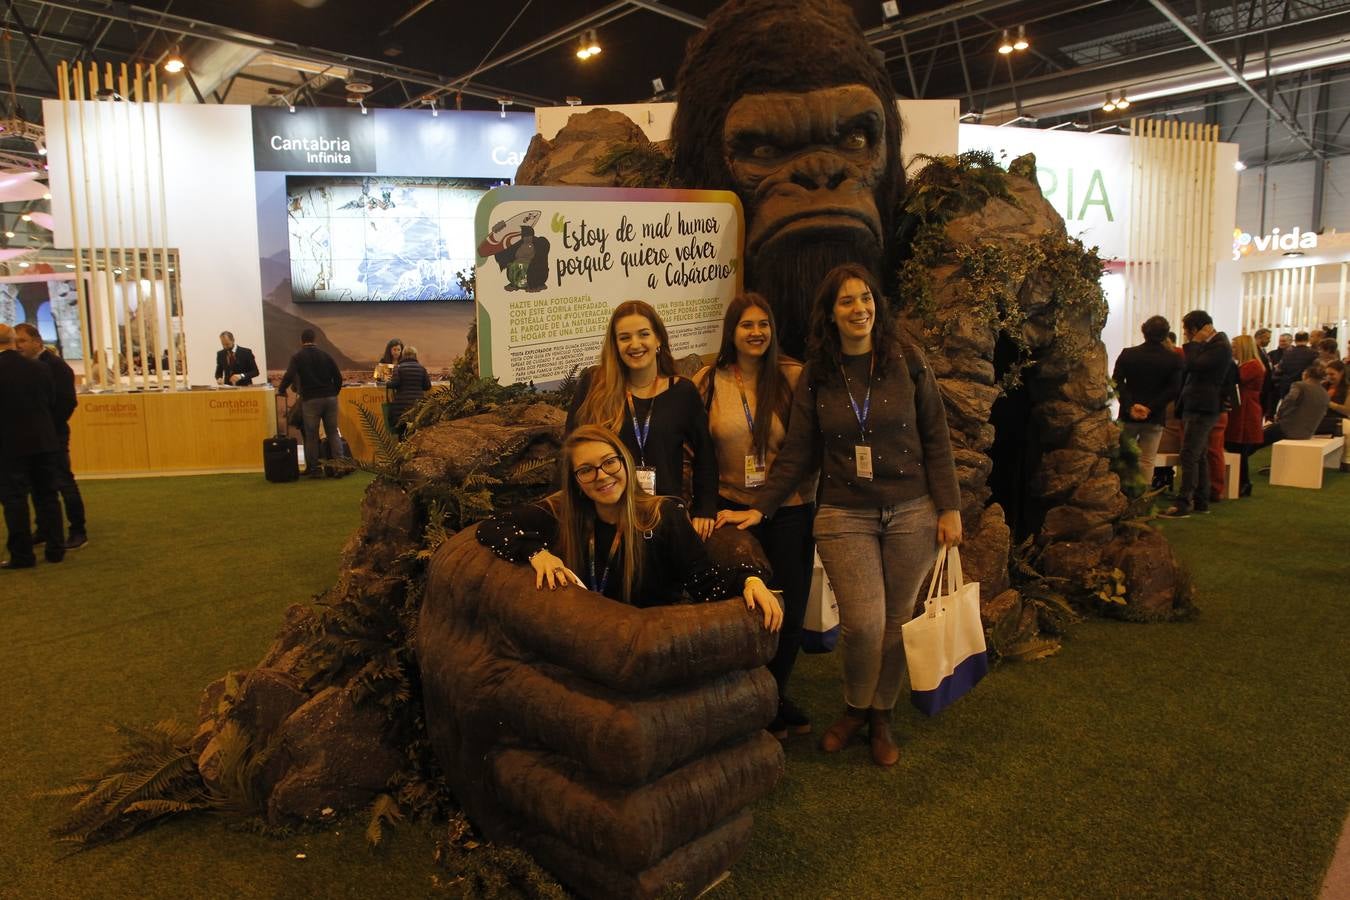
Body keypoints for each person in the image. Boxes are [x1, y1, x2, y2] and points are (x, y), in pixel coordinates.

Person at [718, 263, 962, 768]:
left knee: (896, 623)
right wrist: (759, 508)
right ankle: (854, 707)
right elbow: (799, 453)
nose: (860, 309)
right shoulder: (818, 375)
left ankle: (881, 714)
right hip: (843, 514)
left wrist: (950, 506)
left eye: (866, 298)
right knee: (864, 625)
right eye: (847, 302)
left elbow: (936, 438)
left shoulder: (906, 360)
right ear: (831, 314)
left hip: (913, 510)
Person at [476, 424, 783, 631]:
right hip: (588, 636)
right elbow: (491, 527)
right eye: (586, 470)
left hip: (648, 637)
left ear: (624, 463)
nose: (601, 475)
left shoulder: (665, 515)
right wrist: (535, 552)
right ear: (576, 482)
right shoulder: (565, 514)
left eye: (609, 462)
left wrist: (749, 581)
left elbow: (704, 582)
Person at [694, 293, 816, 739]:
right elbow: (698, 453)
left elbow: (803, 452)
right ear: (732, 331)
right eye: (747, 325)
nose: (756, 332)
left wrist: (767, 503)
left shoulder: (792, 376)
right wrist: (706, 508)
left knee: (788, 607)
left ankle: (773, 697)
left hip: (787, 510)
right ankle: (753, 699)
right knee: (742, 609)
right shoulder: (708, 380)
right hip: (730, 511)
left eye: (763, 324)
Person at [567, 301, 718, 538]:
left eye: (644, 334)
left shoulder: (683, 392)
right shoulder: (593, 386)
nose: (635, 344)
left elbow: (706, 455)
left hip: (664, 518)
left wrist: (705, 509)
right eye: (625, 337)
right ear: (615, 345)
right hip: (607, 517)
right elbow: (570, 451)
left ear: (658, 339)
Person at [13, 324, 87, 549]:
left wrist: (46, 426)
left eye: (23, 341)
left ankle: (78, 530)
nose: (18, 346)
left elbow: (67, 403)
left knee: (64, 482)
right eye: (16, 342)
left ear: (37, 341)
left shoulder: (57, 367)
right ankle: (44, 529)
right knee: (38, 486)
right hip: (32, 436)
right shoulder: (23, 367)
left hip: (53, 435)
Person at [0, 325, 65, 569]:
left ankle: (22, 555)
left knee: (15, 500)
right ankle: (56, 548)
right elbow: (51, 401)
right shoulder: (40, 368)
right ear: (14, 341)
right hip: (44, 441)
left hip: (10, 445)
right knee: (48, 495)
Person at [1161, 310, 1232, 519]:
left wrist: (1195, 343)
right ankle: (1201, 499)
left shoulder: (1219, 346)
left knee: (1190, 454)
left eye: (1186, 330)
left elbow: (1192, 365)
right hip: (1199, 405)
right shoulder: (1215, 345)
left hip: (1203, 406)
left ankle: (1184, 502)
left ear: (1195, 329)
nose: (1185, 335)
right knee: (1198, 454)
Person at [1111, 315, 1183, 485]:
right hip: (1155, 416)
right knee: (1147, 460)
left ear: (1144, 331)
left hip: (1128, 416)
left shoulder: (1128, 354)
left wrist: (1130, 406)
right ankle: (1141, 497)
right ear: (1166, 334)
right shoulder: (1173, 359)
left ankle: (1121, 492)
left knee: (1125, 457)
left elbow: (1116, 382)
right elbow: (1173, 389)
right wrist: (1150, 408)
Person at [277, 329, 346, 477]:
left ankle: (314, 469)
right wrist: (333, 393)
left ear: (301, 341)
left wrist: (281, 389)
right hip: (330, 398)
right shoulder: (326, 356)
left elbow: (289, 375)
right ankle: (340, 466)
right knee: (333, 432)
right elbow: (338, 377)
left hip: (311, 400)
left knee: (311, 435)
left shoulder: (297, 357)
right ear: (315, 340)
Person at [1223, 335, 1265, 497]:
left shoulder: (1252, 366)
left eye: (1234, 347)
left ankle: (1244, 483)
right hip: (1243, 408)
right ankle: (1242, 482)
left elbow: (1236, 380)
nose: (1232, 350)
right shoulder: (1248, 365)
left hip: (1246, 410)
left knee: (1240, 449)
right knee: (1238, 449)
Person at [1262, 362, 1329, 445]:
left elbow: (1289, 400)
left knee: (1256, 440)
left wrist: (1279, 414)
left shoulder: (1300, 385)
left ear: (1306, 374)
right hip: (1306, 434)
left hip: (1288, 428)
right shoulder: (1325, 393)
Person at [387, 345, 431, 438]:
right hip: (417, 407)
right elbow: (427, 386)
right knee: (416, 436)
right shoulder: (421, 368)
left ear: (403, 355)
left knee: (402, 436)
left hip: (401, 408)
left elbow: (394, 384)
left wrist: (385, 382)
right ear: (415, 355)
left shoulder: (398, 368)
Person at [1274, 331, 1316, 401]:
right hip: (1305, 388)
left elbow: (1280, 369)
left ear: (1295, 340)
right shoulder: (1314, 353)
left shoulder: (1287, 353)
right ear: (1308, 340)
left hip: (1287, 387)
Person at [1317, 359, 1348, 435]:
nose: (1328, 377)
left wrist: (1329, 403)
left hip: (1339, 424)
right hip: (1321, 423)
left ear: (1341, 373)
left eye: (1332, 374)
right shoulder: (1322, 385)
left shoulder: (1347, 389)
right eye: (1327, 374)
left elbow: (1347, 410)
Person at [1253, 328, 1277, 419]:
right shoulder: (1255, 351)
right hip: (1261, 388)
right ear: (1259, 337)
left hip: (1266, 387)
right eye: (1267, 338)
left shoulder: (1262, 350)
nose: (1269, 341)